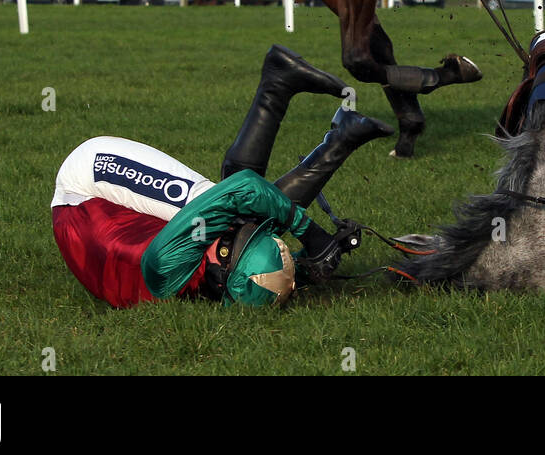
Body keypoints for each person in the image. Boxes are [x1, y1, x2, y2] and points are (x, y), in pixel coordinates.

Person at [51, 46, 392, 307]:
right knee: (236, 217)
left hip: (83, 187)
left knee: (226, 206)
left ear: (223, 270)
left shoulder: (167, 264)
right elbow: (267, 276)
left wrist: (309, 232)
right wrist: (326, 254)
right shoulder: (222, 280)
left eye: (231, 246)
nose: (229, 240)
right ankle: (337, 134)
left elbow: (242, 188)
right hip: (110, 223)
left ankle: (280, 83)